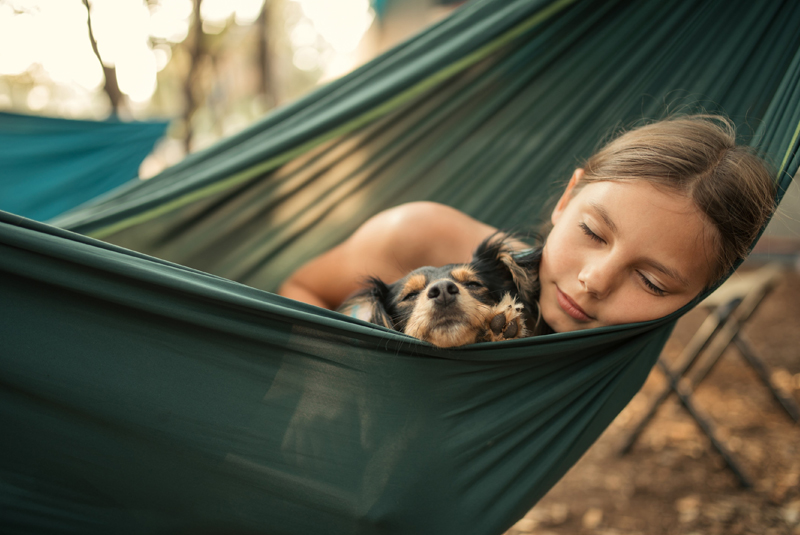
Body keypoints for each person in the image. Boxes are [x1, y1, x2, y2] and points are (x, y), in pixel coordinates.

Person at [278, 115, 776, 333]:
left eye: (651, 281)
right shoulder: (417, 233)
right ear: (565, 199)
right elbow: (300, 287)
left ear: (702, 292)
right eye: (593, 233)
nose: (594, 280)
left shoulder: (625, 342)